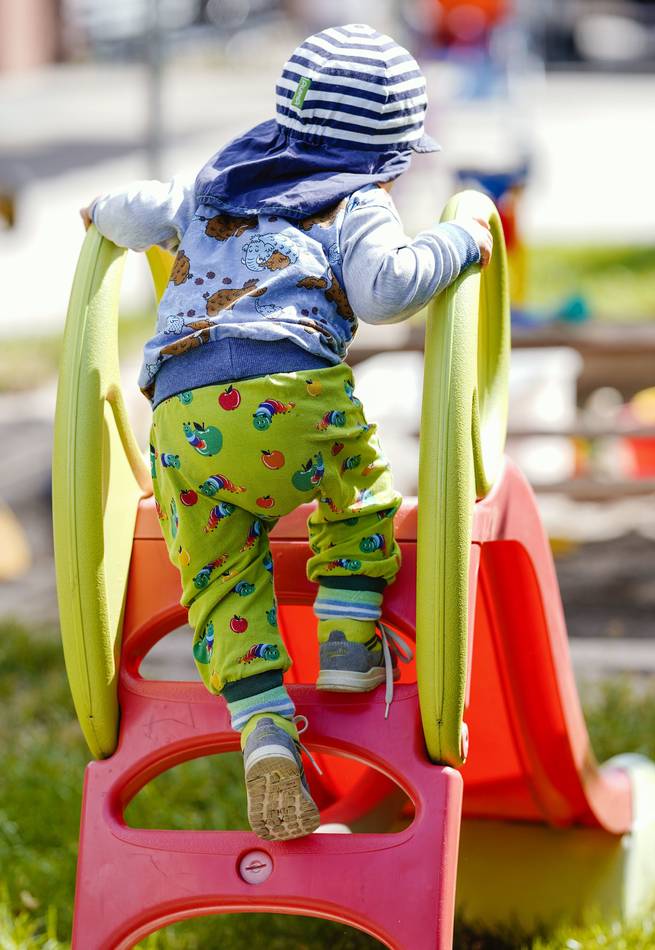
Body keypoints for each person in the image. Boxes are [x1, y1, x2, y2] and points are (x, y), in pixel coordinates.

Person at [80, 23, 491, 841]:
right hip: (290, 396)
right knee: (361, 489)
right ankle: (344, 631)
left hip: (184, 418)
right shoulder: (357, 199)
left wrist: (99, 213)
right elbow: (383, 291)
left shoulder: (214, 184)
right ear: (388, 151)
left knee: (220, 574)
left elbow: (132, 209)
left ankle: (263, 728)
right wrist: (461, 242)